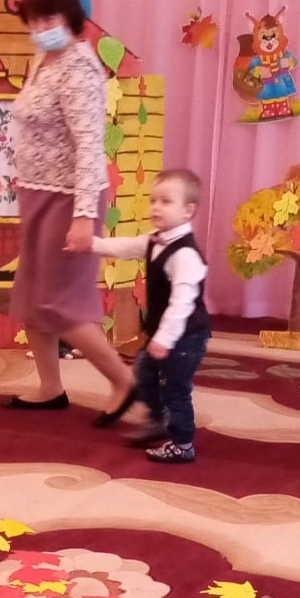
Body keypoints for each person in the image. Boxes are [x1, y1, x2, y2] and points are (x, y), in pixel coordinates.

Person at [2, 0, 134, 420]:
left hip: (69, 200)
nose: (42, 28)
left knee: (62, 303)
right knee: (33, 296)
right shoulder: (43, 58)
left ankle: (124, 382)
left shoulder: (80, 68)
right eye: (35, 20)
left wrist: (82, 216)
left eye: (51, 19)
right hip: (38, 195)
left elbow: (89, 147)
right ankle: (49, 387)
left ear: (71, 18)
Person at [92, 168, 210, 465]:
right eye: (153, 200)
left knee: (175, 388)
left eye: (166, 201)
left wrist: (165, 339)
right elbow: (127, 246)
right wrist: (92, 245)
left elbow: (182, 302)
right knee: (144, 374)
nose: (156, 207)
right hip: (162, 333)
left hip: (185, 336)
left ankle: (182, 443)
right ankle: (157, 421)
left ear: (188, 211)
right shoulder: (156, 240)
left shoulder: (185, 254)